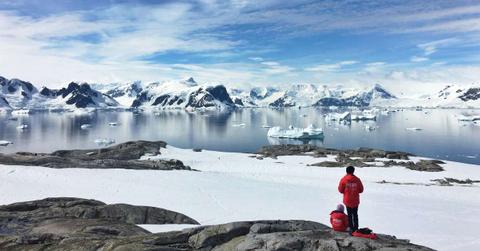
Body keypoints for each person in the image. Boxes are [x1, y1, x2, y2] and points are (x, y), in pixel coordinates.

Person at [338, 165, 364, 233]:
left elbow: (340, 190)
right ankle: (356, 228)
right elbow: (361, 190)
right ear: (353, 171)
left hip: (347, 200)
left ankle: (351, 228)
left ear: (346, 171)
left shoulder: (343, 179)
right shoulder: (357, 180)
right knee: (355, 214)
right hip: (355, 200)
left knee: (349, 214)